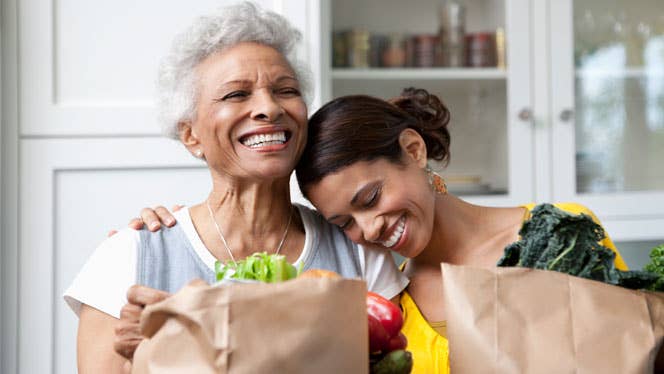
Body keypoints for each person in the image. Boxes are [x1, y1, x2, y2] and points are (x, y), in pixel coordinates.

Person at [134, 87, 628, 373]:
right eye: (343, 223)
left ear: (413, 150)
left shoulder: (560, 232)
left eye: (370, 199)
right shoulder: (386, 304)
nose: (370, 229)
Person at [63, 3, 408, 373]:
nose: (269, 108)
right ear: (191, 135)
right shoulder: (128, 257)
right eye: (236, 95)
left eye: (286, 90)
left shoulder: (359, 251)